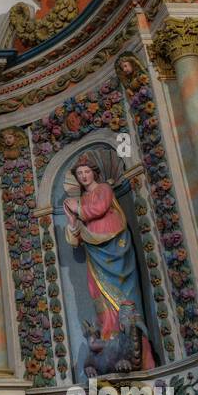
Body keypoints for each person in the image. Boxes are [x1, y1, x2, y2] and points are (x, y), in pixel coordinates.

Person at [62, 154, 154, 370]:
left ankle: (134, 345)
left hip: (115, 250)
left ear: (94, 172)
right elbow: (76, 239)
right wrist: (71, 220)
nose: (84, 176)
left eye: (86, 172)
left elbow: (100, 208)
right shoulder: (81, 200)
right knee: (98, 295)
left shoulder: (104, 189)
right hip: (94, 254)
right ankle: (108, 336)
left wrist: (78, 209)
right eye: (80, 174)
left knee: (122, 299)